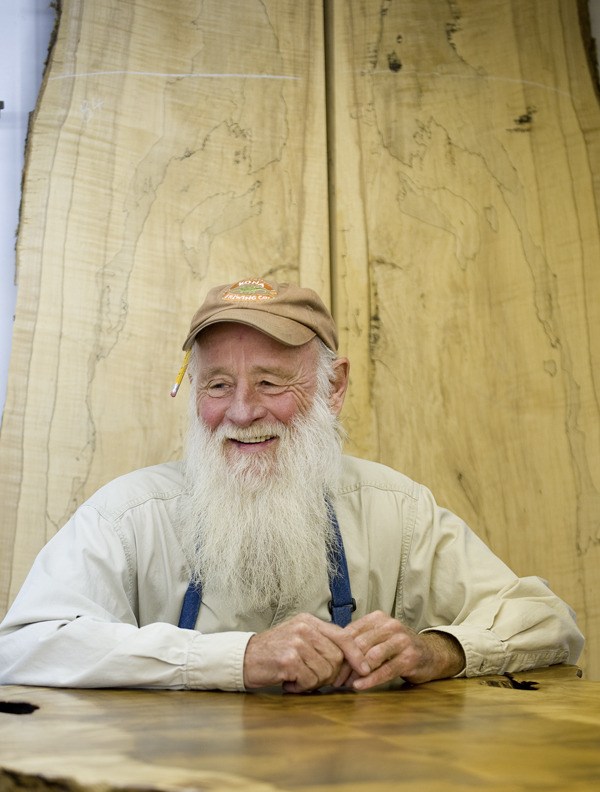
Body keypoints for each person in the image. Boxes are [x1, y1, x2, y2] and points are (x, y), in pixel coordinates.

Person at [0, 279, 584, 693]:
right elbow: (25, 646)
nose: (242, 411)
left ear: (334, 387)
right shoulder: (128, 516)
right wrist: (237, 658)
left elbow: (546, 622)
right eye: (218, 385)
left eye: (272, 382)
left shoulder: (396, 511)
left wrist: (436, 651)